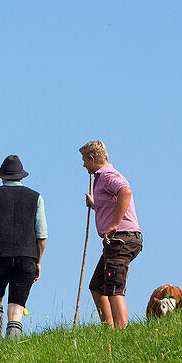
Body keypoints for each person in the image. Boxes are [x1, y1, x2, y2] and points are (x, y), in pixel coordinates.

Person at [0, 155, 47, 340]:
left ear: (2, 177)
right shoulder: (36, 197)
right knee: (16, 308)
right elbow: (42, 236)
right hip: (27, 259)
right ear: (21, 177)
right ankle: (11, 346)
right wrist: (38, 260)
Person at [81, 140, 142, 329]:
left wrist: (114, 224)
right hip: (115, 241)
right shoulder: (101, 179)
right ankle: (109, 328)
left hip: (121, 239)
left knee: (115, 288)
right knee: (97, 286)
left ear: (93, 159)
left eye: (84, 160)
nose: (83, 165)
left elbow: (125, 192)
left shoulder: (107, 175)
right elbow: (112, 201)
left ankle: (121, 333)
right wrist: (95, 204)